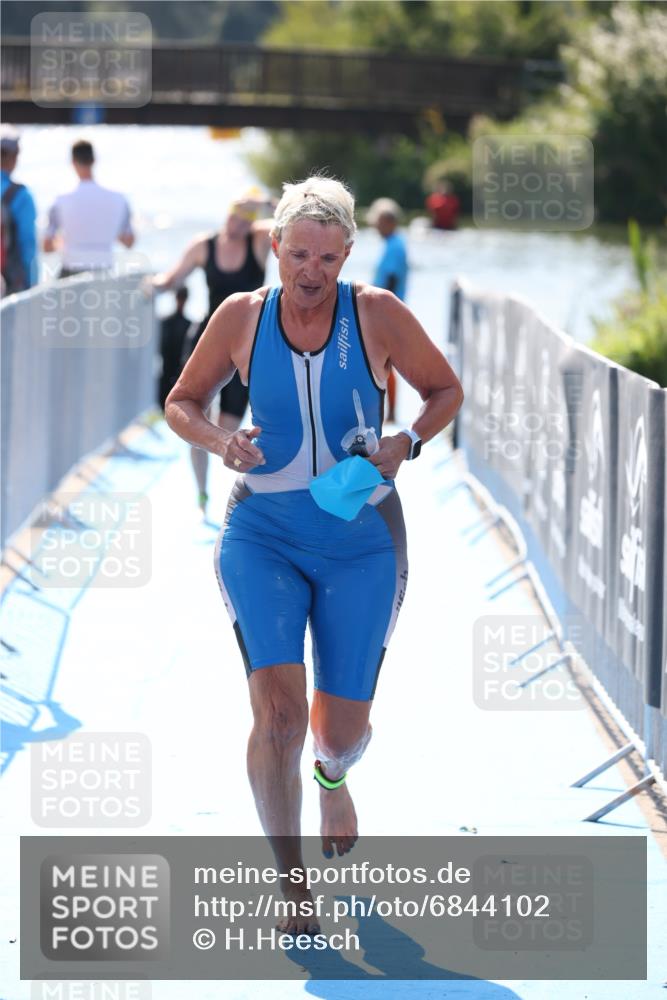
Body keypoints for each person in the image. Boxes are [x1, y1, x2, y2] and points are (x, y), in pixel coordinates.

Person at [165, 176, 463, 934]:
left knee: (338, 731)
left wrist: (409, 440)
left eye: (326, 258)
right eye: (297, 254)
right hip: (261, 531)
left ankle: (333, 775)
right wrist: (219, 440)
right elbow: (181, 401)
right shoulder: (242, 316)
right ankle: (292, 887)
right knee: (277, 716)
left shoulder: (377, 315)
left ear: (347, 255)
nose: (309, 272)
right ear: (274, 249)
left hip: (361, 541)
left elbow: (443, 390)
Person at [153, 189, 273, 513]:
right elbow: (173, 277)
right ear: (226, 213)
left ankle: (224, 496)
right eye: (235, 216)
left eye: (245, 220)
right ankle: (202, 492)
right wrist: (151, 286)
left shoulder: (259, 241)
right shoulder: (204, 245)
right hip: (206, 340)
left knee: (229, 425)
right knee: (198, 417)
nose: (237, 225)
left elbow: (291, 227)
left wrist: (264, 205)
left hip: (246, 345)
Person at [43, 140, 134, 278]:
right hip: (104, 272)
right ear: (94, 160)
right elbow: (129, 241)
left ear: (73, 162)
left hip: (70, 271)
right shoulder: (118, 198)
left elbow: (47, 246)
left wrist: (63, 243)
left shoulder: (61, 200)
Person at [367, 197, 408, 424]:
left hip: (387, 313)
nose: (375, 226)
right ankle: (389, 413)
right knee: (384, 363)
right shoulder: (394, 243)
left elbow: (391, 279)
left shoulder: (395, 245)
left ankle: (390, 414)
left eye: (379, 221)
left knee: (384, 363)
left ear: (390, 222)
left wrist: (380, 311)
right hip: (387, 312)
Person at [1, 125, 37, 296]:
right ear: (14, 157)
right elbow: (27, 245)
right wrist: (31, 286)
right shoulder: (20, 196)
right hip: (9, 285)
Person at [158, 287, 195, 411]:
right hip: (166, 367)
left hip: (181, 369)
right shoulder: (166, 322)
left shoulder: (189, 324)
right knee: (162, 400)